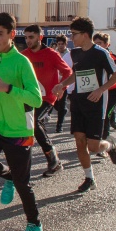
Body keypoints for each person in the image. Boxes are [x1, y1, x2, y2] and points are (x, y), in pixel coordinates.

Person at [0, 13, 44, 231]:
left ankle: (34, 225)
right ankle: (9, 177)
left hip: (19, 130)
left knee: (23, 183)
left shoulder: (22, 62)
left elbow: (36, 99)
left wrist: (8, 88)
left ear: (12, 34)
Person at [67, 17, 116, 193]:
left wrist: (100, 90)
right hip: (78, 102)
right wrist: (62, 85)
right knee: (79, 141)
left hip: (96, 104)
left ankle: (110, 145)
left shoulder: (101, 53)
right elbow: (76, 74)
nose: (71, 38)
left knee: (93, 147)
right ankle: (89, 178)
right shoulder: (75, 53)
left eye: (74, 34)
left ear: (84, 34)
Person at [20, 25, 72, 177]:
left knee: (34, 122)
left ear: (40, 37)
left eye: (31, 37)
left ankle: (53, 159)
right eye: (26, 37)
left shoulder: (51, 54)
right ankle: (25, 163)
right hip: (29, 96)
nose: (28, 40)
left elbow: (68, 72)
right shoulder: (24, 55)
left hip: (47, 97)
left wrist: (62, 87)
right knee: (29, 126)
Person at [92, 33, 116, 142]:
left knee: (107, 113)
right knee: (108, 115)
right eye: (95, 43)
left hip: (114, 90)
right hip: (100, 90)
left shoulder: (113, 56)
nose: (98, 46)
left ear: (107, 44)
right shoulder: (93, 57)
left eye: (100, 43)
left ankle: (105, 138)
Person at [53, 35, 72, 133]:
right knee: (53, 103)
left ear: (66, 44)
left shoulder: (70, 55)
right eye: (59, 44)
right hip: (54, 82)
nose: (60, 46)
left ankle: (59, 126)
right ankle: (63, 110)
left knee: (62, 103)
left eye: (62, 44)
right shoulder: (54, 53)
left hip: (65, 82)